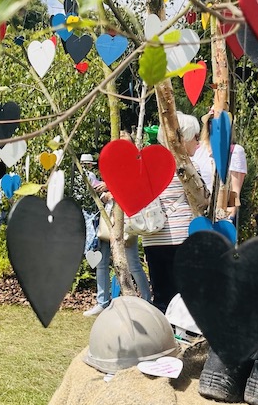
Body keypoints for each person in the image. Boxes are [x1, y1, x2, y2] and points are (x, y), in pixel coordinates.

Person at [141, 112, 211, 312]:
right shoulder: (187, 167)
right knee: (185, 299)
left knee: (162, 296)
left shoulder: (149, 164)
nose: (197, 143)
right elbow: (203, 200)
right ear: (184, 138)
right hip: (181, 238)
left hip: (153, 238)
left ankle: (161, 337)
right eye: (195, 138)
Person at [84, 169, 152, 317]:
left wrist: (110, 189)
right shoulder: (109, 169)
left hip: (125, 222)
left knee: (133, 264)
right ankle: (102, 302)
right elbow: (105, 196)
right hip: (106, 219)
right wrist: (103, 194)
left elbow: (134, 188)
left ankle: (147, 300)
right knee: (101, 263)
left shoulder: (131, 168)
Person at [197, 111, 247, 226]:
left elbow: (235, 192)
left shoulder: (235, 151)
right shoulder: (198, 149)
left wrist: (227, 220)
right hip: (198, 215)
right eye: (211, 121)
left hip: (221, 216)